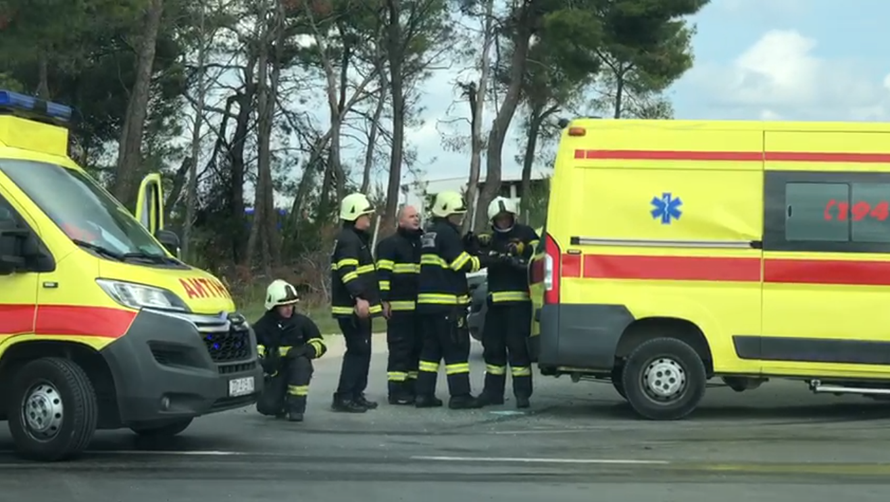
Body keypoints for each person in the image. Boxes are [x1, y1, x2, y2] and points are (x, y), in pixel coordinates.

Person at [415, 191, 496, 409]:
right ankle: (460, 396)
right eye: (456, 215)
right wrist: (486, 259)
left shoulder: (429, 234)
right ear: (446, 213)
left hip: (427, 305)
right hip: (448, 305)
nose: (459, 219)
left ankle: (423, 394)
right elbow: (461, 264)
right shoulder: (447, 233)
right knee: (456, 349)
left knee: (430, 351)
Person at [475, 197, 540, 409]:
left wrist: (521, 252)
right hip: (495, 305)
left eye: (506, 218)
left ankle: (522, 394)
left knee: (517, 349)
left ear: (513, 216)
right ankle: (492, 393)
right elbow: (477, 255)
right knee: (492, 349)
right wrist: (479, 244)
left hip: (519, 305)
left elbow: (538, 254)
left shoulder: (527, 233)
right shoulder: (490, 238)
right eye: (499, 219)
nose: (503, 222)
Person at [330, 192, 383, 413]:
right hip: (352, 308)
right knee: (357, 351)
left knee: (363, 350)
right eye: (365, 214)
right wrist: (359, 298)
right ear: (354, 215)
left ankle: (355, 394)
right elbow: (347, 273)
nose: (369, 218)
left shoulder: (355, 239)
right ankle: (344, 397)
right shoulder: (349, 240)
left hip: (360, 307)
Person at [254, 279, 327, 422]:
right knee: (267, 407)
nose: (289, 308)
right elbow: (256, 345)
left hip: (296, 367)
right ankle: (281, 405)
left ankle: (296, 408)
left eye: (291, 305)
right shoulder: (262, 326)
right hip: (275, 371)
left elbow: (320, 345)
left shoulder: (302, 323)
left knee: (301, 364)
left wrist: (303, 351)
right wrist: (263, 360)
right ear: (274, 306)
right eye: (284, 305)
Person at [375, 204, 423, 405]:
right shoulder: (389, 245)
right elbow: (383, 275)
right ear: (400, 220)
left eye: (418, 216)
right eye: (411, 216)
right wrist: (384, 300)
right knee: (400, 350)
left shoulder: (422, 243)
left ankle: (413, 388)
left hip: (420, 308)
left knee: (417, 349)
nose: (416, 219)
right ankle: (396, 391)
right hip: (399, 307)